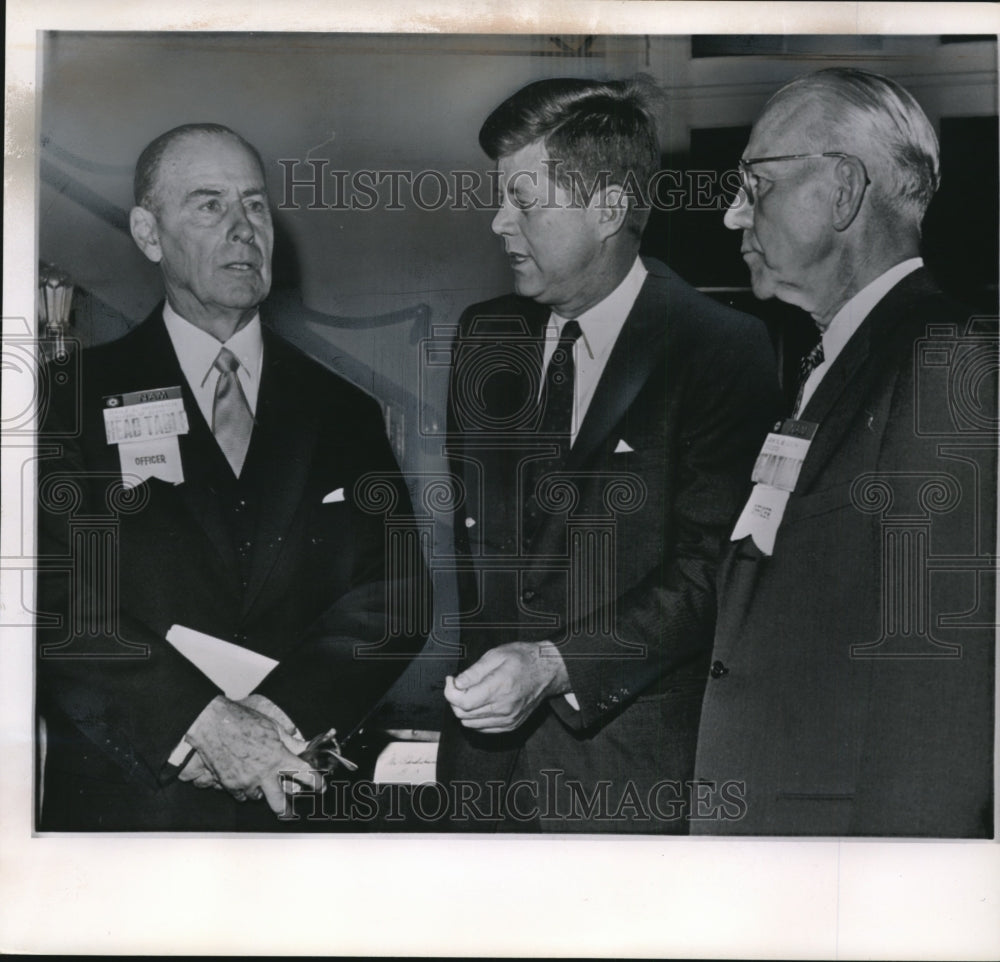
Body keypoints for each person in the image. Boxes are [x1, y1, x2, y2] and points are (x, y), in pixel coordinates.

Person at [36, 123, 428, 831]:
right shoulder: (67, 400)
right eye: (209, 205)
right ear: (149, 234)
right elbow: (50, 592)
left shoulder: (344, 410)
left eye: (255, 205)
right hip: (126, 806)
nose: (244, 228)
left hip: (294, 796)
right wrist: (201, 721)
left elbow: (396, 597)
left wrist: (275, 722)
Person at [438, 78, 782, 832]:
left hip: (624, 783)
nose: (499, 223)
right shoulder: (483, 337)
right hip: (480, 780)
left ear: (609, 209)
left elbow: (709, 570)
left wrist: (557, 664)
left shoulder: (721, 350)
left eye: (524, 202)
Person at [694, 68, 997, 837]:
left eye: (754, 183)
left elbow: (938, 690)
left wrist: (896, 898)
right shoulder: (834, 358)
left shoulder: (943, 357)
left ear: (843, 189)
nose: (733, 215)